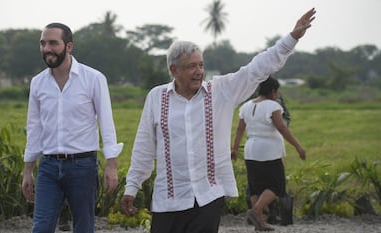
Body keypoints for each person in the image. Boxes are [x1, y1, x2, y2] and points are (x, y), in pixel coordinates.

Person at [120, 8, 316, 233]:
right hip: (169, 197)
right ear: (173, 70)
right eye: (191, 66)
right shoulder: (156, 97)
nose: (199, 71)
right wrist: (132, 187)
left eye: (201, 65)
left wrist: (290, 39)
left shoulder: (220, 91)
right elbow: (144, 146)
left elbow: (256, 70)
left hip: (207, 195)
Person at [21, 23, 123, 233]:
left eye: (53, 43)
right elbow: (34, 127)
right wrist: (28, 170)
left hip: (82, 166)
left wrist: (111, 164)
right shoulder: (38, 83)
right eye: (43, 43)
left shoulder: (93, 78)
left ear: (68, 46)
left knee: (84, 228)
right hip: (48, 166)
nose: (47, 48)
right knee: (41, 227)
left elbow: (106, 122)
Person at [231, 77, 306, 231]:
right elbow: (282, 128)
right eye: (277, 91)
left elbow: (239, 129)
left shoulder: (246, 106)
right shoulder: (273, 106)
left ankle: (259, 223)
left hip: (251, 150)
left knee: (255, 186)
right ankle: (256, 211)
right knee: (277, 185)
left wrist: (234, 148)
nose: (278, 94)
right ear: (273, 91)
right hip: (269, 150)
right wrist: (298, 146)